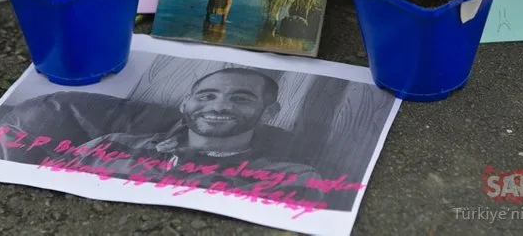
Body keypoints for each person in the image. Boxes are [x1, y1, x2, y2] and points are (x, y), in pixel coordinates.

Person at [58, 67, 324, 203]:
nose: (218, 106)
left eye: (240, 99)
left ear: (268, 112)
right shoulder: (112, 144)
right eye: (206, 96)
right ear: (185, 104)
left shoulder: (291, 177)